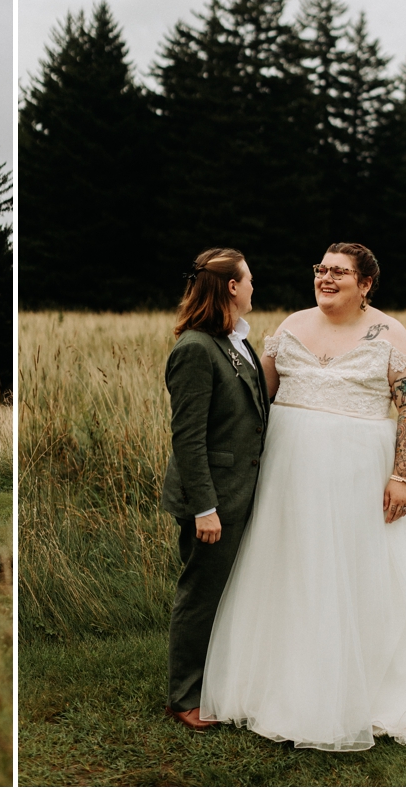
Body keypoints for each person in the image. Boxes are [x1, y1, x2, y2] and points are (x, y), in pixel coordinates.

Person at [199, 243, 406, 750]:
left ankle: (371, 687)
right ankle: (287, 684)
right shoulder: (291, 327)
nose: (326, 278)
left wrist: (402, 476)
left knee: (363, 573)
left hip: (361, 477)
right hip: (288, 477)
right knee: (293, 570)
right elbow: (256, 400)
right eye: (321, 269)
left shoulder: (389, 332)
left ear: (366, 284)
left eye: (340, 272)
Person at [161, 248, 269, 730]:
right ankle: (184, 696)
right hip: (213, 498)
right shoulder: (195, 350)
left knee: (232, 592)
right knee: (202, 593)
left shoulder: (237, 342)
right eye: (248, 280)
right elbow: (188, 437)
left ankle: (220, 681)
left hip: (243, 490)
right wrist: (205, 507)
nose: (253, 287)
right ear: (230, 287)